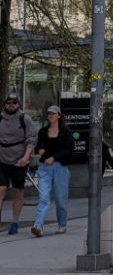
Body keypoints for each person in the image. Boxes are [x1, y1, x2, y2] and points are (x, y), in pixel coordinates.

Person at [31, 106, 73, 237]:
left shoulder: (65, 131)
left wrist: (54, 158)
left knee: (60, 199)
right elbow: (38, 146)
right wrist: (40, 151)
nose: (51, 116)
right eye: (49, 113)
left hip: (60, 167)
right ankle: (38, 225)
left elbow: (69, 150)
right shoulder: (43, 131)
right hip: (45, 167)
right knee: (43, 197)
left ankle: (62, 224)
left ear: (59, 115)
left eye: (54, 114)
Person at [0, 93, 37, 234]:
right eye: (8, 102)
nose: (11, 105)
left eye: (14, 102)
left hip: (19, 161)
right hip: (2, 160)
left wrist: (26, 157)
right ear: (5, 104)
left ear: (19, 104)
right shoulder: (0, 119)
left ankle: (15, 222)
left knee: (17, 191)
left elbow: (31, 140)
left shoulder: (25, 119)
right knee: (1, 190)